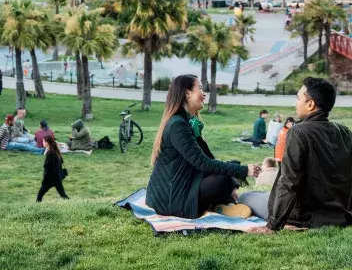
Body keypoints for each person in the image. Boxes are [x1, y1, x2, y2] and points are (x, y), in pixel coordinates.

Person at [242, 77, 352, 232]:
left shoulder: (298, 131)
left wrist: (273, 226)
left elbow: (289, 182)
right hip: (338, 214)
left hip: (303, 216)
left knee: (246, 197)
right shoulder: (344, 131)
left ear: (310, 104)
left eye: (298, 98)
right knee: (261, 193)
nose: (296, 103)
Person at [146, 75, 258, 219]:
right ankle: (223, 205)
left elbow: (208, 160)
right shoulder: (177, 125)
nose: (204, 93)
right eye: (199, 88)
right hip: (171, 200)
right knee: (222, 178)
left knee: (229, 168)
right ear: (187, 93)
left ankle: (223, 204)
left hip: (184, 186)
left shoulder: (187, 122)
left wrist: (232, 181)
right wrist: (244, 171)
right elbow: (203, 163)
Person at [37, 136, 69, 202]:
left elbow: (47, 167)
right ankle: (72, 204)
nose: (42, 142)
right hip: (57, 177)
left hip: (51, 178)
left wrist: (45, 179)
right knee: (63, 195)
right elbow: (61, 162)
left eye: (43, 141)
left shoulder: (50, 153)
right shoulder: (55, 151)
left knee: (40, 194)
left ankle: (36, 207)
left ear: (47, 142)